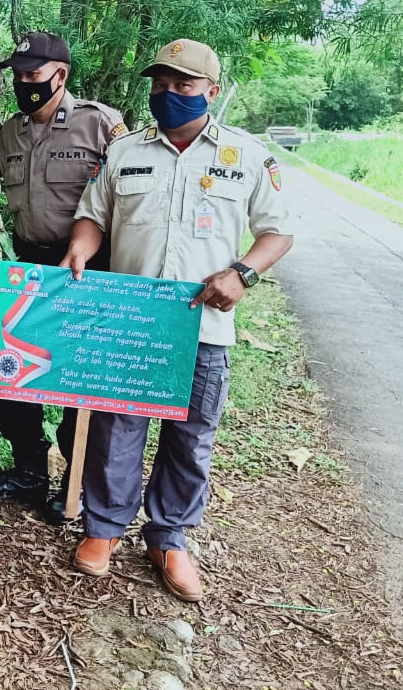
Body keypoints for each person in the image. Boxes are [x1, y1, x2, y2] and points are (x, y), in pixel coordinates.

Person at [62, 38, 294, 601]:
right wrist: (80, 248)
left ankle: (169, 537)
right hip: (132, 324)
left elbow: (278, 231)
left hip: (203, 327)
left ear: (210, 91)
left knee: (190, 438)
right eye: (160, 84)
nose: (168, 94)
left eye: (183, 85)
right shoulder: (123, 153)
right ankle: (105, 529)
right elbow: (93, 216)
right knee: (118, 428)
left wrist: (242, 273)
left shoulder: (247, 157)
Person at [0, 31, 125, 523]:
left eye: (33, 75)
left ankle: (74, 479)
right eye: (18, 76)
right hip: (28, 267)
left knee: (77, 377)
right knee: (12, 374)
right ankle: (29, 469)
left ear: (60, 75)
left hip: (87, 270)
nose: (24, 83)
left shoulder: (99, 125)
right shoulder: (13, 131)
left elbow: (127, 192)